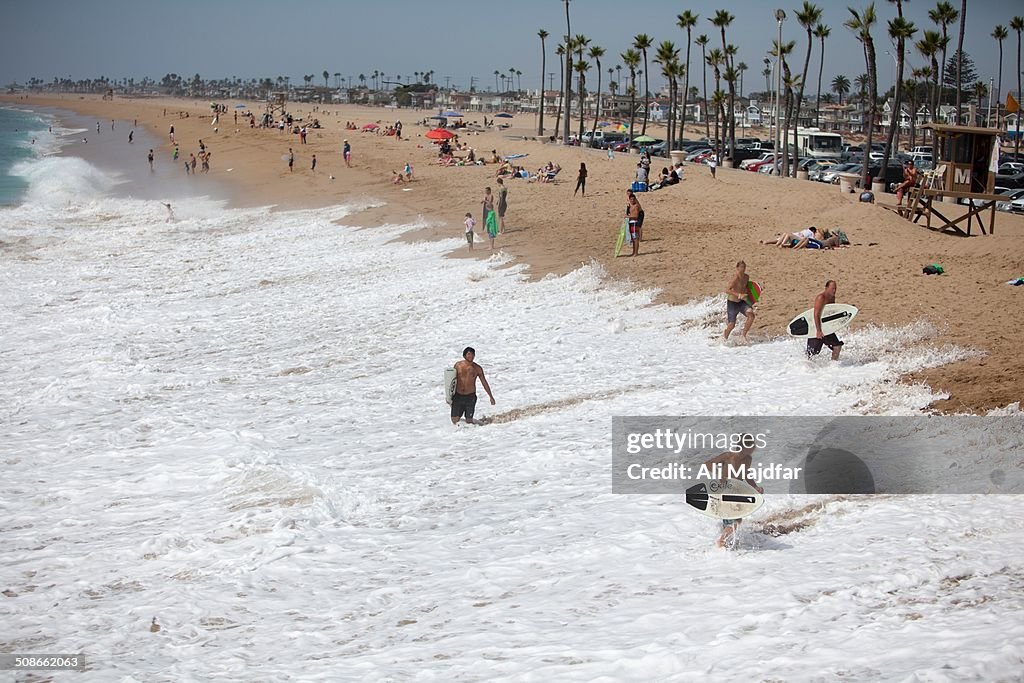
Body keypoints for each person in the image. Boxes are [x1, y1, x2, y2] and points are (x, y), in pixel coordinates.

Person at [701, 440, 764, 548]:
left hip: (738, 492)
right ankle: (721, 542)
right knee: (736, 520)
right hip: (725, 491)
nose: (754, 449)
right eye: (752, 447)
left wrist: (755, 487)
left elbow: (746, 473)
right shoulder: (728, 456)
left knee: (733, 519)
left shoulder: (748, 459)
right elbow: (707, 465)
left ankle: (725, 541)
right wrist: (722, 473)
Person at [450, 347, 495, 425]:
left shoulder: (477, 368)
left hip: (470, 397)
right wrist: (449, 395)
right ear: (464, 355)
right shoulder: (458, 365)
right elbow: (451, 380)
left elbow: (484, 382)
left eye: (473, 354)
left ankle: (475, 431)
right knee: (454, 420)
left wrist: (491, 396)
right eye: (469, 354)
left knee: (469, 421)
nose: (471, 356)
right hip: (458, 396)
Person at [807, 280, 843, 361]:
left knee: (837, 346)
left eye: (835, 288)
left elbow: (830, 313)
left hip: (826, 328)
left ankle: (833, 366)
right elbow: (816, 314)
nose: (834, 290)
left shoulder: (832, 297)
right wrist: (818, 331)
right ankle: (805, 369)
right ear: (826, 288)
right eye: (832, 288)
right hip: (816, 328)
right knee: (812, 353)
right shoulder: (821, 298)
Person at [723, 260, 755, 343]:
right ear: (737, 268)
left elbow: (747, 288)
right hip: (732, 303)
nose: (743, 269)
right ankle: (724, 339)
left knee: (751, 315)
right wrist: (738, 294)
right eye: (741, 267)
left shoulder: (746, 277)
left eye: (744, 267)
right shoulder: (735, 278)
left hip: (741, 302)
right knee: (731, 325)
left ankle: (743, 335)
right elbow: (727, 290)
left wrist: (755, 292)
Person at [625, 190, 643, 257]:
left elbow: (636, 216)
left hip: (635, 222)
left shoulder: (636, 206)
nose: (632, 200)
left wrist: (628, 216)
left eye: (633, 199)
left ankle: (636, 252)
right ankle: (633, 252)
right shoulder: (630, 206)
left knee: (635, 238)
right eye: (631, 199)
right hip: (631, 222)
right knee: (633, 238)